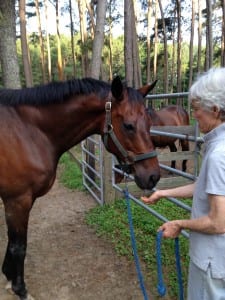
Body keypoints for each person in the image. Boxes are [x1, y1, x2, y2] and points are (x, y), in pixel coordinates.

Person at [141, 67, 225, 300]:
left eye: (197, 109)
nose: (193, 115)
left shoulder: (219, 155)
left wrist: (180, 223)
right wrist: (164, 194)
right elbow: (204, 185)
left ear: (216, 110)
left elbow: (218, 222)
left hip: (212, 261)